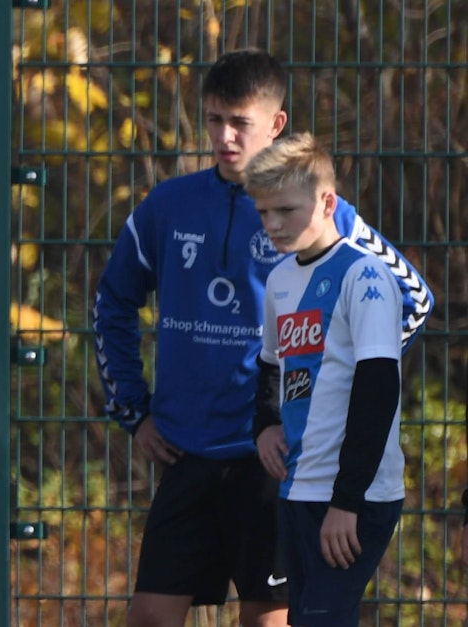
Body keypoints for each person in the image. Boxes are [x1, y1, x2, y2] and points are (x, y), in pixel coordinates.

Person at [92, 49, 429, 627]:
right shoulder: (168, 205)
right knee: (148, 614)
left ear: (275, 125)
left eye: (240, 122)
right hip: (186, 448)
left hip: (274, 461)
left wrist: (326, 390)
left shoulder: (320, 213)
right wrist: (133, 409)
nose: (224, 136)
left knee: (268, 618)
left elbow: (413, 300)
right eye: (214, 119)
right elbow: (112, 303)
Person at [246, 133, 405, 627]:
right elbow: (274, 367)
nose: (272, 225)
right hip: (298, 489)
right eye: (263, 213)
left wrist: (347, 499)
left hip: (355, 496)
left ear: (327, 202)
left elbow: (379, 388)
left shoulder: (367, 276)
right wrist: (265, 424)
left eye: (286, 211)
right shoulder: (279, 281)